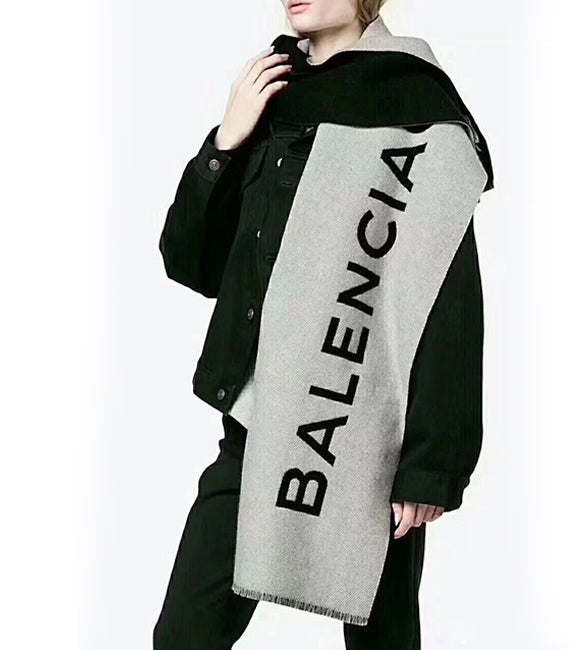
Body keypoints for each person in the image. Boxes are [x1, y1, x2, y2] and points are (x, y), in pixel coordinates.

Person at [153, 0, 491, 647]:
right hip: (256, 426)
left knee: (383, 641)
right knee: (184, 637)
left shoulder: (416, 105)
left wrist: (431, 465)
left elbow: (448, 301)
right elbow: (191, 262)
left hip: (365, 430)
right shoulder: (272, 92)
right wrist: (227, 140)